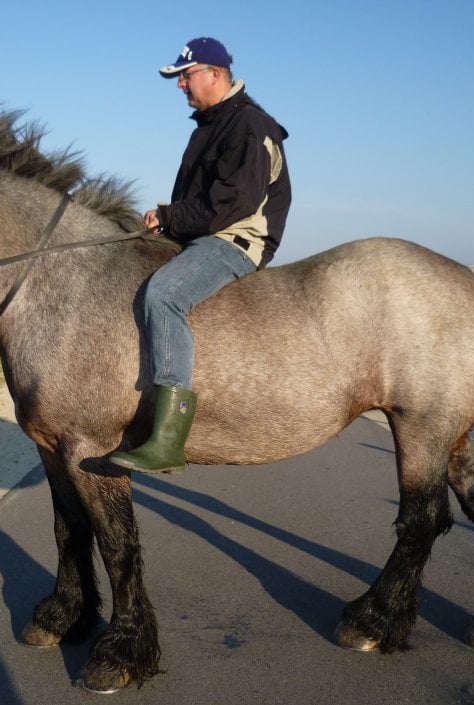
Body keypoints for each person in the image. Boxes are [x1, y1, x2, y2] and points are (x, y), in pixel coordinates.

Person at [110, 37, 292, 474]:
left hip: (237, 239)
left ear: (214, 73)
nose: (180, 85)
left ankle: (169, 441)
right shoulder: (214, 124)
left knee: (164, 295)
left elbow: (232, 204)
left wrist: (171, 216)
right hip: (209, 232)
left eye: (184, 76)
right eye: (179, 78)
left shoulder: (247, 125)